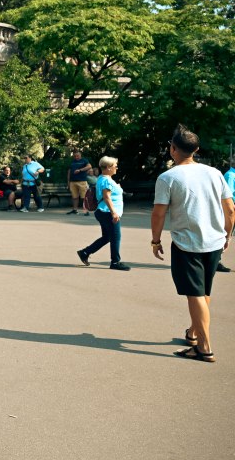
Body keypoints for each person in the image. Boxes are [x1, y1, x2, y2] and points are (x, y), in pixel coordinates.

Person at [150, 125, 235, 362]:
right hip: (214, 241)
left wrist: (155, 240)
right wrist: (227, 235)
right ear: (196, 150)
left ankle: (204, 348)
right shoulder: (215, 173)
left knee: (194, 294)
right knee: (203, 291)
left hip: (187, 243)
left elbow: (158, 213)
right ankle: (194, 332)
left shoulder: (168, 177)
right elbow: (230, 209)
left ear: (172, 149)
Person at [77, 156, 129, 271]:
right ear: (109, 167)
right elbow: (106, 197)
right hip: (107, 212)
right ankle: (115, 262)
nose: (116, 168)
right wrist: (113, 213)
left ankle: (85, 252)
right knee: (115, 237)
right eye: (115, 166)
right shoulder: (106, 180)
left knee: (107, 237)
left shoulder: (103, 178)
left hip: (103, 211)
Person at [218, 156, 235, 273]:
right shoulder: (230, 175)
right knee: (224, 236)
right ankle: (216, 261)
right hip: (231, 210)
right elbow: (228, 196)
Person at [67, 149, 94, 214]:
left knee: (84, 197)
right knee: (74, 196)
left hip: (82, 181)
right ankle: (75, 210)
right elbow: (69, 172)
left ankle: (86, 211)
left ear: (80, 155)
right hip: (73, 181)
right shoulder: (72, 162)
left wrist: (80, 170)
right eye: (75, 156)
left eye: (77, 156)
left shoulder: (84, 161)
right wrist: (68, 181)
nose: (76, 157)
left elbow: (89, 166)